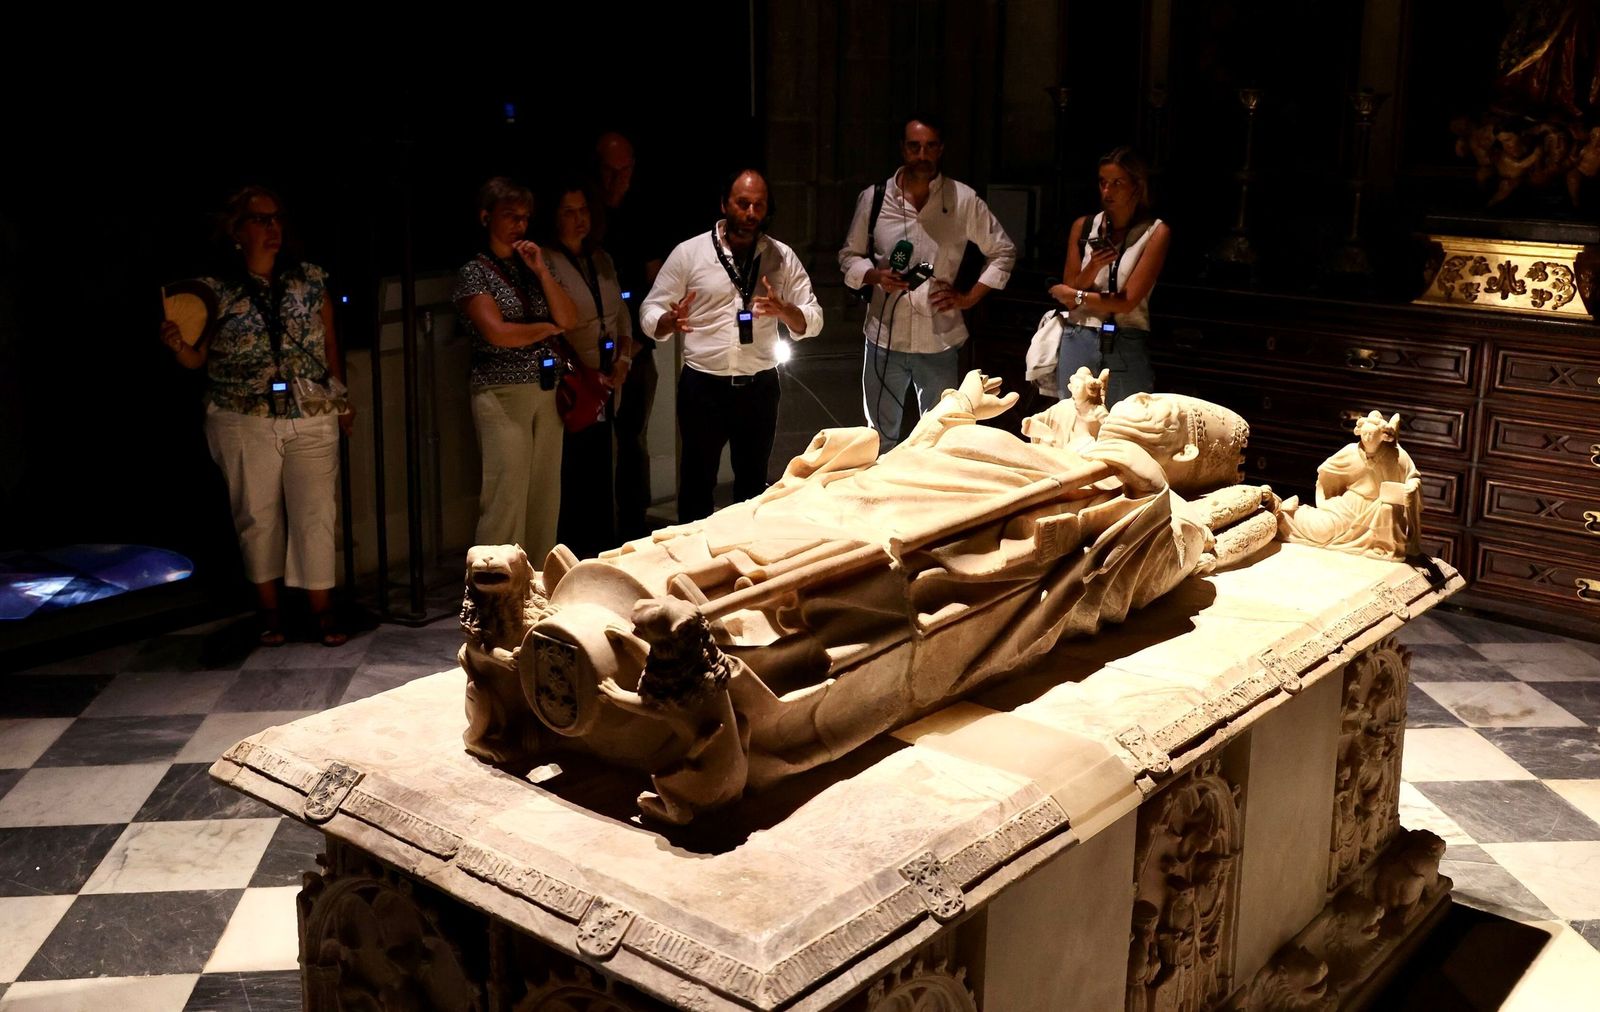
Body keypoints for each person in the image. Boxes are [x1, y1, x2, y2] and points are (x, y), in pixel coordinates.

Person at [159, 185, 354, 646]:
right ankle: (270, 613)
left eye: (276, 219)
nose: (272, 229)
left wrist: (343, 400)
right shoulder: (216, 290)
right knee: (257, 515)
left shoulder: (308, 278)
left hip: (311, 410)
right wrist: (178, 346)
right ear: (236, 231)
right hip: (242, 416)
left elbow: (329, 343)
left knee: (316, 513)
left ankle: (322, 611)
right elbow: (196, 359)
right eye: (260, 220)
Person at [639, 168, 823, 524]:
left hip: (759, 387)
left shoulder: (780, 257)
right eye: (743, 204)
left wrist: (787, 311)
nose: (751, 213)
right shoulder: (690, 253)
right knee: (696, 484)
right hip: (703, 386)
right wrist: (667, 321)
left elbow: (813, 318)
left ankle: (744, 568)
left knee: (753, 487)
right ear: (725, 204)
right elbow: (651, 308)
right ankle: (691, 566)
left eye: (759, 205)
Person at [839, 115, 1016, 452]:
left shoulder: (962, 199)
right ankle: (881, 499)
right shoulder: (875, 199)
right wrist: (875, 275)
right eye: (914, 146)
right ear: (903, 149)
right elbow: (849, 255)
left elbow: (1003, 252)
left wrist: (967, 299)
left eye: (930, 146)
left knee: (941, 437)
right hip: (884, 335)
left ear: (941, 149)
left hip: (938, 339)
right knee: (879, 435)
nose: (922, 154)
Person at [452, 177, 580, 563]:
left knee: (545, 493)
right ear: (486, 216)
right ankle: (493, 588)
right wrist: (544, 329)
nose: (519, 226)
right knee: (505, 495)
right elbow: (498, 333)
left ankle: (539, 581)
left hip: (547, 390)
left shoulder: (533, 265)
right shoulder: (474, 272)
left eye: (524, 218)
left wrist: (541, 271)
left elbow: (569, 318)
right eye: (510, 216)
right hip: (501, 392)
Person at [543, 180, 632, 559]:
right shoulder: (547, 261)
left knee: (601, 474)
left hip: (609, 382)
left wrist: (625, 359)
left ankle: (601, 554)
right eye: (569, 211)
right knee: (571, 479)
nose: (579, 219)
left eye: (583, 211)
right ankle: (571, 559)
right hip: (573, 387)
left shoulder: (601, 258)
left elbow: (621, 315)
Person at [1047, 147, 1171, 408]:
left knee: (1122, 428)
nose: (1107, 191)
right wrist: (1093, 266)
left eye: (1117, 183)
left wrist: (1078, 296)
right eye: (1103, 183)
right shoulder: (1083, 227)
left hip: (1125, 340)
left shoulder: (1155, 232)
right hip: (1079, 335)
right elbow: (1069, 295)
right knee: (1071, 426)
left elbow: (1126, 301)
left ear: (1137, 186)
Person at [594, 132, 666, 540]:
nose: (617, 179)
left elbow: (656, 286)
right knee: (595, 445)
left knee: (632, 441)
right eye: (609, 170)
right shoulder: (587, 215)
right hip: (590, 349)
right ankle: (597, 528)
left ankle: (634, 529)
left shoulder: (642, 213)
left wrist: (635, 343)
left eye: (624, 170)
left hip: (636, 346)